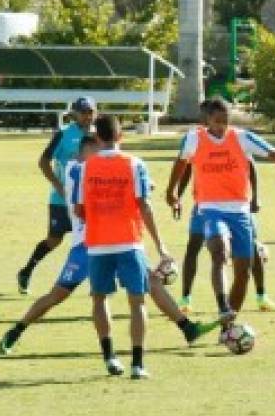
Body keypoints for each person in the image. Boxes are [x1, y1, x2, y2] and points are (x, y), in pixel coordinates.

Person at [80, 115, 217, 379]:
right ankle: (137, 364)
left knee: (99, 299)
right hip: (129, 242)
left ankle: (109, 357)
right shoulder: (134, 164)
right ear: (121, 137)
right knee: (138, 302)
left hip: (97, 243)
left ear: (97, 138)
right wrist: (160, 245)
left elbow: (79, 208)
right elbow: (144, 205)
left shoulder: (85, 168)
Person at [165, 97, 275, 325]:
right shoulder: (194, 138)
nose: (221, 125)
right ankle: (223, 305)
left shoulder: (241, 138)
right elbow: (181, 163)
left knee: (243, 272)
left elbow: (274, 153)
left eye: (225, 120)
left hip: (240, 211)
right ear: (207, 120)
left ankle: (228, 325)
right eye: (217, 121)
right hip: (209, 208)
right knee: (219, 252)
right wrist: (171, 192)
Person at [174, 138, 275, 313]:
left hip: (237, 205)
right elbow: (186, 168)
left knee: (252, 248)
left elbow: (251, 166)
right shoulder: (196, 140)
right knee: (193, 247)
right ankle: (185, 298)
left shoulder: (236, 138)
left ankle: (261, 296)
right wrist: (178, 196)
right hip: (205, 205)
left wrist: (255, 196)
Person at [16, 97, 97, 294]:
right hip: (62, 201)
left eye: (91, 112)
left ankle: (95, 285)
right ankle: (26, 271)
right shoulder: (64, 134)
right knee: (54, 240)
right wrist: (58, 185)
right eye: (83, 112)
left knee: (93, 240)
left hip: (90, 200)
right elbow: (44, 161)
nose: (88, 116)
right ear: (74, 114)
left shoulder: (99, 134)